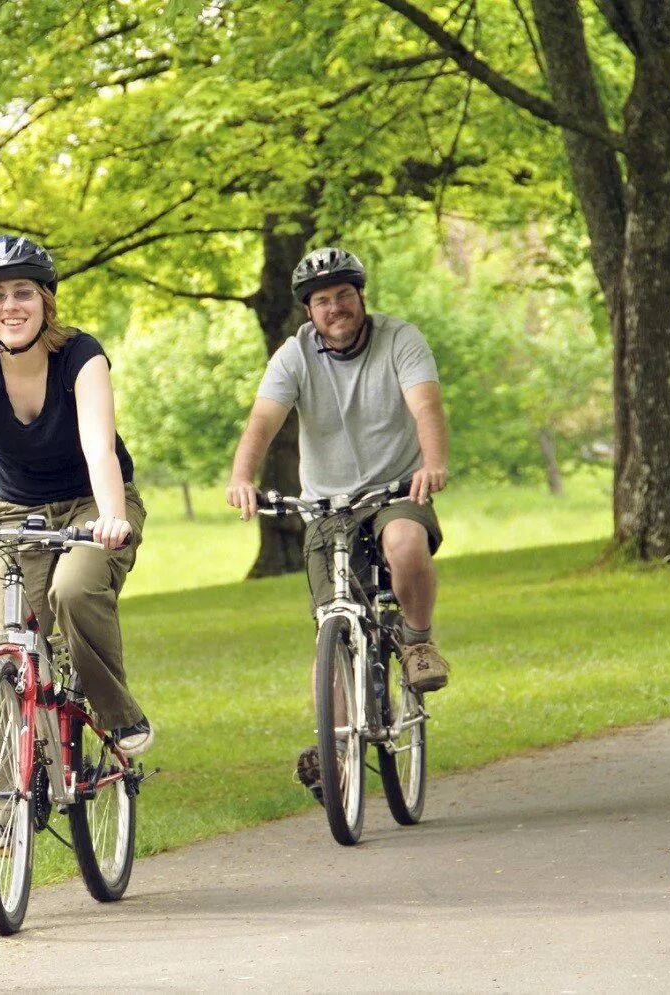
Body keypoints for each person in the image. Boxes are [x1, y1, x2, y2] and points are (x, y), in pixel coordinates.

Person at [0, 235, 153, 756]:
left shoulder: (80, 355)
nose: (10, 306)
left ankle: (118, 713)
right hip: (17, 515)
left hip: (94, 502)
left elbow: (99, 447)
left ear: (46, 300)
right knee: (6, 641)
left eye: (23, 292)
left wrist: (111, 516)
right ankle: (8, 802)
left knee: (73, 591)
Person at [224, 247, 450, 797]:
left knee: (405, 544)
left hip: (395, 487)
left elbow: (425, 407)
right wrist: (242, 476)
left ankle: (417, 641)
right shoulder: (294, 356)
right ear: (308, 311)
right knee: (332, 621)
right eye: (321, 301)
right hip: (327, 505)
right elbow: (263, 421)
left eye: (343, 296)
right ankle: (337, 744)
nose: (334, 308)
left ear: (361, 296)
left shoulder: (400, 339)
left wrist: (433, 462)